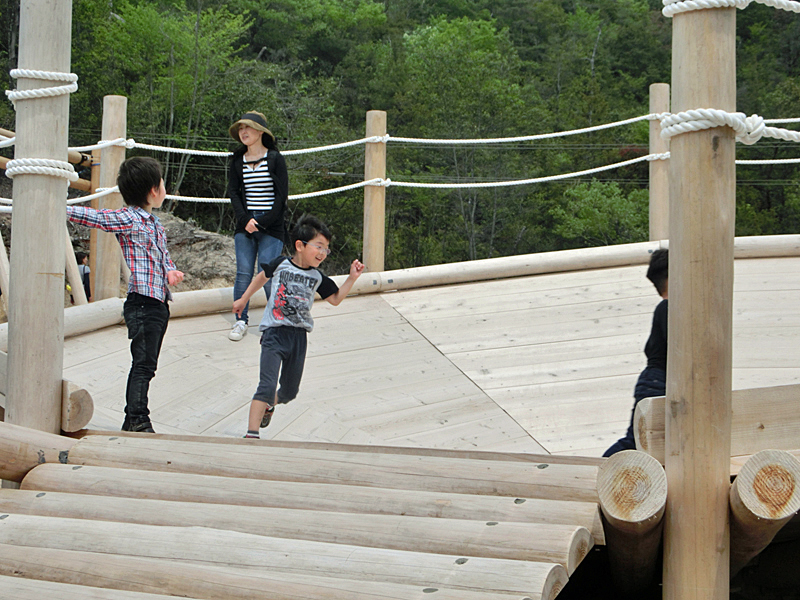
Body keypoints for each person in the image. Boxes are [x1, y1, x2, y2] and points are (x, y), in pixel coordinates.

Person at [66, 156, 184, 433]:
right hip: (142, 302)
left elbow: (164, 258)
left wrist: (171, 272)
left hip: (159, 302)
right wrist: (61, 207)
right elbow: (97, 218)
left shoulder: (155, 224)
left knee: (148, 365)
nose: (164, 187)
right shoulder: (129, 218)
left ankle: (133, 418)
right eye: (163, 183)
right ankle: (137, 418)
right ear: (154, 190)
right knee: (143, 364)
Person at [233, 215, 364, 439]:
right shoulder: (280, 264)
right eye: (319, 247)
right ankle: (251, 435)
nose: (323, 253)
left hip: (298, 338)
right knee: (266, 385)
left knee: (289, 392)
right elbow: (261, 278)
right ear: (300, 246)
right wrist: (243, 299)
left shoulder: (317, 277)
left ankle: (270, 405)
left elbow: (334, 299)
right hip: (274, 333)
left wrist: (352, 278)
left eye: (327, 249)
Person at [227, 111, 288, 342]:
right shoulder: (236, 159)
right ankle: (240, 321)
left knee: (268, 273)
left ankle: (276, 322)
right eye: (241, 128)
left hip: (271, 225)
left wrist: (261, 223)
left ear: (261, 132)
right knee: (243, 273)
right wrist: (245, 220)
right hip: (245, 223)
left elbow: (281, 198)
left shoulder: (275, 158)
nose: (244, 132)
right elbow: (234, 193)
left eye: (249, 128)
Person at [603, 248, 668, 457]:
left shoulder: (667, 308)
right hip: (659, 382)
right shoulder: (667, 308)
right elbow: (679, 351)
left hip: (657, 381)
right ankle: (596, 474)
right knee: (638, 443)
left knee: (643, 443)